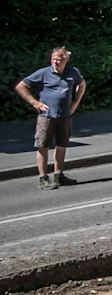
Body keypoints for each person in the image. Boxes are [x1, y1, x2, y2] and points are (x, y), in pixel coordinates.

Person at [15, 44, 86, 190]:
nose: (55, 62)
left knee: (62, 145)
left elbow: (82, 85)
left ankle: (58, 175)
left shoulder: (72, 72)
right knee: (43, 146)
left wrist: (75, 103)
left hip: (65, 116)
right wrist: (35, 103)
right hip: (46, 116)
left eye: (59, 59)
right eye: (53, 59)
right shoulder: (43, 73)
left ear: (66, 59)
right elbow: (21, 86)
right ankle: (43, 178)